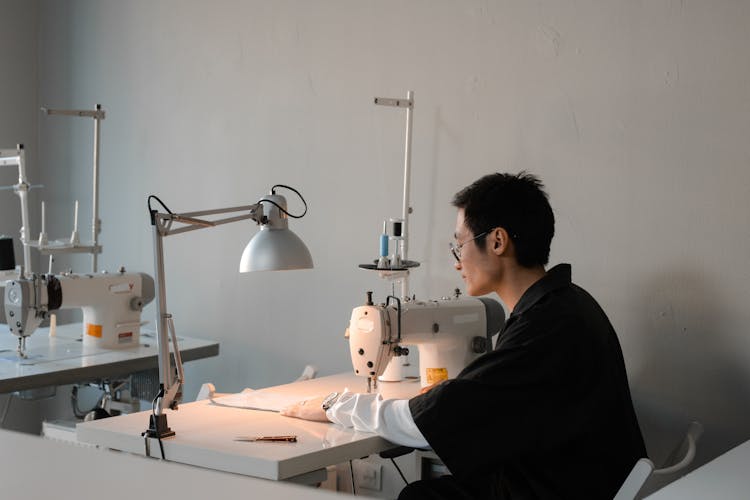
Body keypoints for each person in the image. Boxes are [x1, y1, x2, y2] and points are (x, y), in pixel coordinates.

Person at [281, 172, 646, 499]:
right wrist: (451, 397)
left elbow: (425, 423)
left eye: (460, 244)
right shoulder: (567, 303)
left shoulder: (544, 326)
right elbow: (487, 396)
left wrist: (335, 405)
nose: (457, 261)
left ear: (498, 242)